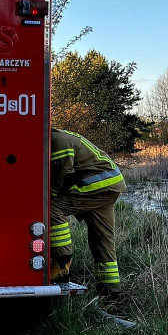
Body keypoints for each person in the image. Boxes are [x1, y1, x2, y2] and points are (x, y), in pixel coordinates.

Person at [49, 129, 126, 303]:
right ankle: (111, 295)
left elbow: (58, 177)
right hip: (111, 188)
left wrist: (47, 199)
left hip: (97, 187)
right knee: (103, 240)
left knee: (52, 208)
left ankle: (62, 264)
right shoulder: (61, 137)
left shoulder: (59, 142)